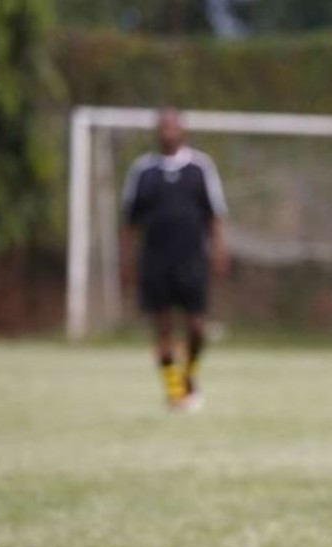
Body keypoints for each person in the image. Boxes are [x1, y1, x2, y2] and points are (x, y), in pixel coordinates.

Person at [121, 107, 229, 412]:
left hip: (191, 260)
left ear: (183, 130)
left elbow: (216, 215)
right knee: (163, 328)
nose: (167, 131)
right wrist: (126, 261)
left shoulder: (200, 167)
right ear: (157, 131)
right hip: (155, 261)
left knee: (197, 327)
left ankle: (189, 375)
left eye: (173, 125)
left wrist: (219, 250)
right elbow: (129, 222)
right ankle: (175, 391)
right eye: (163, 126)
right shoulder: (142, 171)